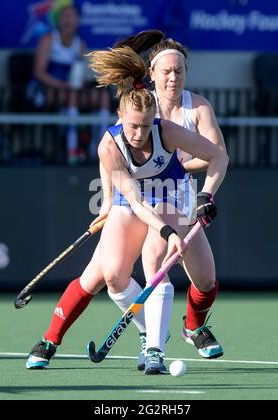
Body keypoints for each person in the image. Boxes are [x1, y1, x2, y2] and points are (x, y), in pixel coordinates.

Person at [26, 43, 228, 374]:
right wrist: (108, 202)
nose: (139, 134)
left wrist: (205, 196)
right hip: (132, 197)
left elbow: (218, 155)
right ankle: (148, 333)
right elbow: (132, 198)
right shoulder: (112, 140)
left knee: (167, 266)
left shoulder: (169, 125)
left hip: (171, 194)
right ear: (119, 117)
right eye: (166, 71)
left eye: (145, 127)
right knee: (110, 274)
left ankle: (157, 348)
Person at [26, 4, 111, 164]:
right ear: (58, 20)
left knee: (102, 97)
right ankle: (71, 149)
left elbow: (81, 74)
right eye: (65, 16)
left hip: (70, 91)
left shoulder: (80, 44)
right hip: (46, 90)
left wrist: (84, 81)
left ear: (77, 21)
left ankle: (99, 148)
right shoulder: (48, 40)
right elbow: (39, 73)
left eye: (72, 16)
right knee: (71, 96)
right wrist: (63, 85)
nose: (68, 20)